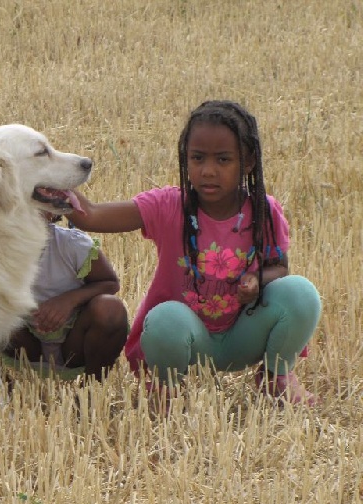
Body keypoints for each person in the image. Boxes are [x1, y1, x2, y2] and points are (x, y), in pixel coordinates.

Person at [68, 100, 321, 405]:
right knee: (162, 320)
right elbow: (91, 215)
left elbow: (280, 267)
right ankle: (167, 389)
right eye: (198, 158)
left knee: (301, 293)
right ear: (185, 159)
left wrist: (257, 278)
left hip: (244, 335)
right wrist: (51, 183)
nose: (208, 171)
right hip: (184, 340)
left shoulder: (263, 210)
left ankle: (275, 377)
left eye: (223, 160)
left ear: (249, 162)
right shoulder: (169, 205)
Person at [3, 212, 128, 382]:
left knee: (110, 308)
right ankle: (0, 388)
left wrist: (69, 300)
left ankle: (93, 387)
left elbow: (110, 283)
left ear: (54, 212)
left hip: (74, 341)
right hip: (25, 342)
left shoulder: (73, 245)